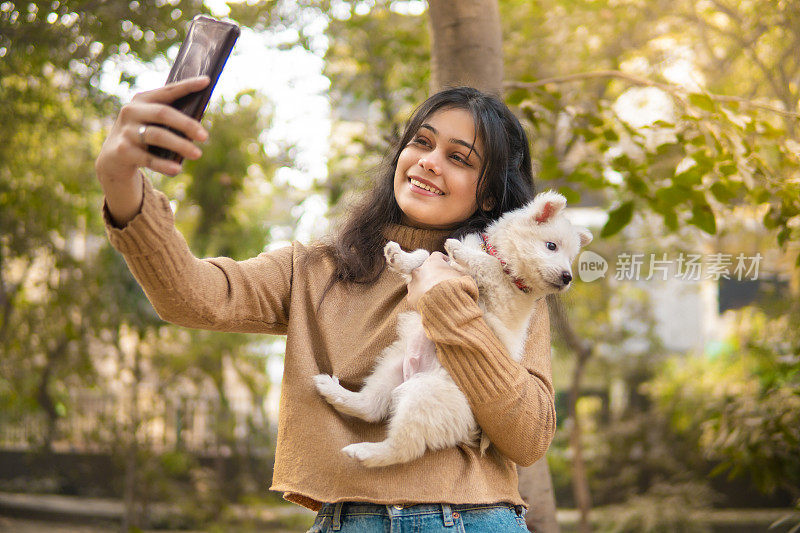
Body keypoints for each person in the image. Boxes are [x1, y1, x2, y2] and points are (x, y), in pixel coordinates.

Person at [95, 76, 555, 532]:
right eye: (422, 142)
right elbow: (189, 296)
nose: (429, 162)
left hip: (475, 520)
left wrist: (449, 310)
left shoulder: (514, 286)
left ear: (490, 193)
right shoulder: (315, 269)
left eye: (458, 158)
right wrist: (120, 184)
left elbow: (530, 435)